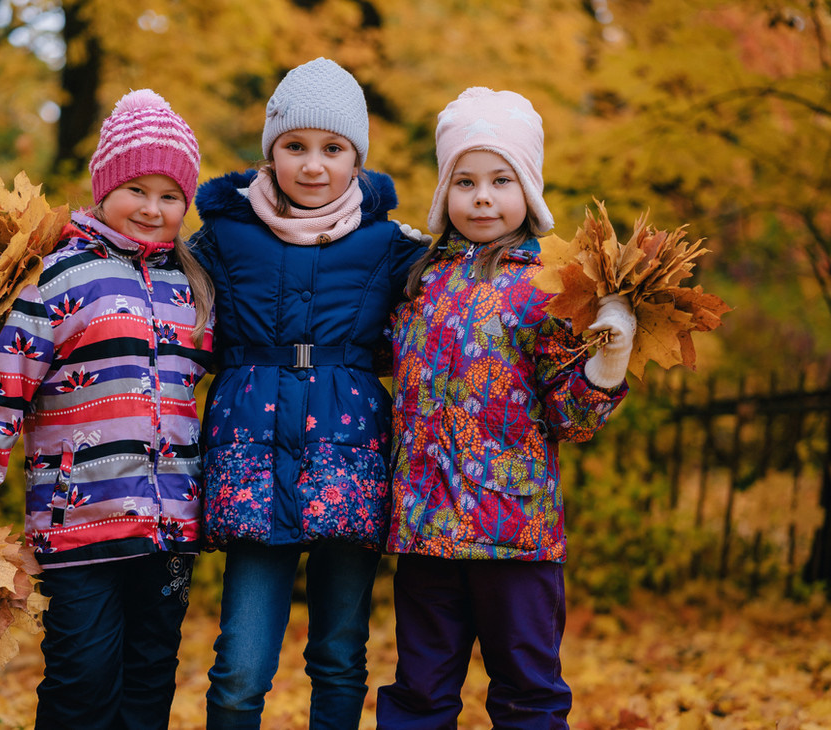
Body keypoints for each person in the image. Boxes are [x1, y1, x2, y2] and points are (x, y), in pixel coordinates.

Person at [0, 89, 213, 729]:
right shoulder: (59, 277)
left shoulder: (192, 287)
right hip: (80, 525)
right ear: (105, 188)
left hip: (169, 532)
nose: (153, 208)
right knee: (83, 680)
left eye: (171, 196)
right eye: (138, 189)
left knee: (151, 678)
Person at [375, 87, 636, 729]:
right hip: (426, 529)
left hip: (514, 533)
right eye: (465, 181)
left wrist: (607, 361)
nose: (483, 197)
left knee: (527, 691)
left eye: (501, 179)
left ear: (529, 191)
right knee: (420, 692)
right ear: (444, 192)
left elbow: (571, 420)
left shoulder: (548, 288)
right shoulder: (416, 282)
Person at [190, 57, 423, 729]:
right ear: (271, 152)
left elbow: (454, 307)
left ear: (357, 159)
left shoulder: (392, 246)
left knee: (341, 654)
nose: (313, 165)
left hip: (346, 462)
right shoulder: (223, 239)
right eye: (295, 146)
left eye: (333, 149)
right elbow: (165, 302)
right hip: (252, 464)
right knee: (239, 665)